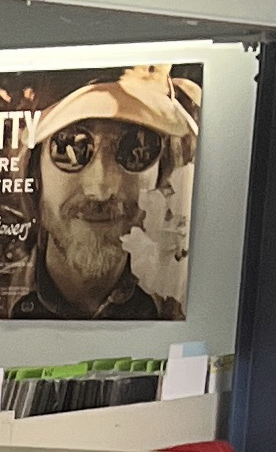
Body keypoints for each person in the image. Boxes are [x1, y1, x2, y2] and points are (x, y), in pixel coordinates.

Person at [12, 67, 197, 321]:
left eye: (135, 148)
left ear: (161, 171)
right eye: (70, 146)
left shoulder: (187, 309)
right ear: (34, 172)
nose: (100, 189)